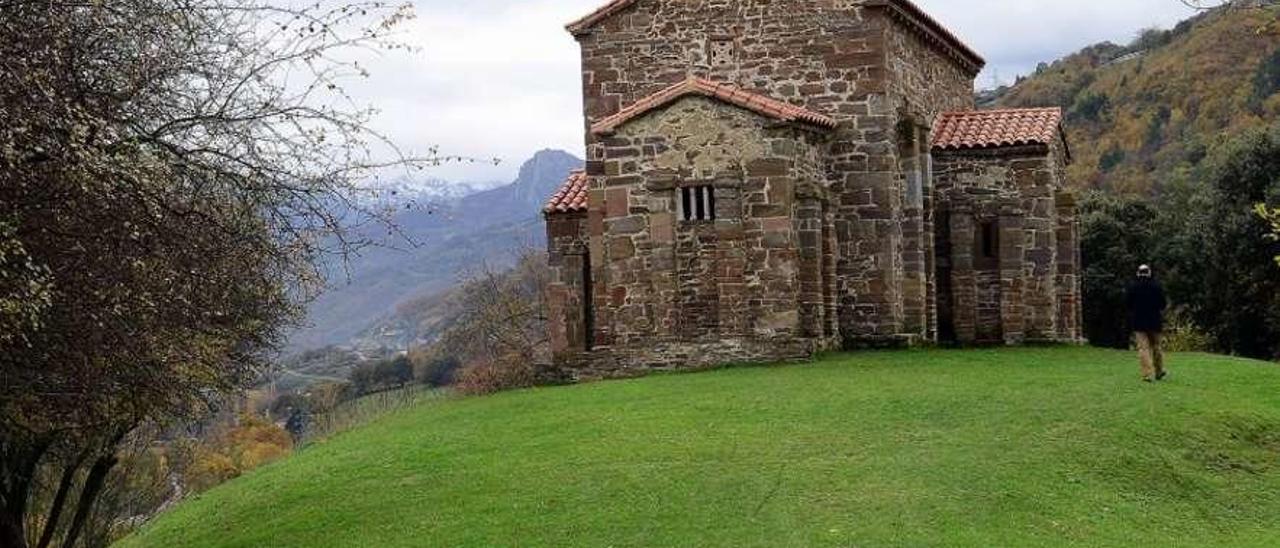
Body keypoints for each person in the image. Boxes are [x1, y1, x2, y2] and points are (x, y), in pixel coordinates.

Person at [1127, 264, 1168, 382]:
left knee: (1143, 348)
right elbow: (1163, 304)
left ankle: (1147, 374)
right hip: (1155, 321)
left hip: (1139, 322)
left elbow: (1128, 304)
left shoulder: (1133, 287)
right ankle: (1159, 371)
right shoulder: (1157, 286)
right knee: (1157, 347)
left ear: (1138, 273)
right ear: (1149, 273)